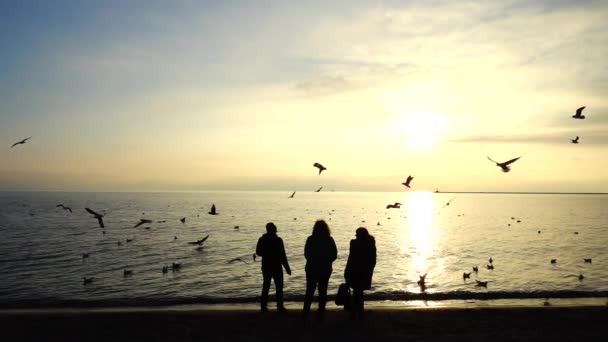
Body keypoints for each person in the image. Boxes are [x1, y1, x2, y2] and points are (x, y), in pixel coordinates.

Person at [303, 219, 337, 319]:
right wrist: (327, 261)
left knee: (310, 290)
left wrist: (314, 259)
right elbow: (334, 255)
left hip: (311, 268)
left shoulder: (310, 239)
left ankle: (306, 312)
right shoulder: (329, 239)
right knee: (323, 291)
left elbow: (306, 254)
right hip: (325, 269)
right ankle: (321, 312)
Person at [256, 222, 291, 313]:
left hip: (267, 266)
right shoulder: (278, 240)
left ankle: (264, 306)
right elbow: (283, 255)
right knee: (278, 287)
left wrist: (266, 253)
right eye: (275, 228)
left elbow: (258, 252)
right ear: (273, 229)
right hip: (276, 266)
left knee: (266, 286)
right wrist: (287, 268)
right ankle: (279, 306)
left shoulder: (262, 239)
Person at [344, 227, 376, 320]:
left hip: (355, 270)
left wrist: (347, 271)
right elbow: (373, 260)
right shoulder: (370, 243)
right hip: (365, 271)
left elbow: (351, 258)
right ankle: (359, 313)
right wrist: (370, 271)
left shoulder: (354, 243)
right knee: (359, 292)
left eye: (357, 234)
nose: (356, 236)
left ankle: (355, 313)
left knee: (356, 292)